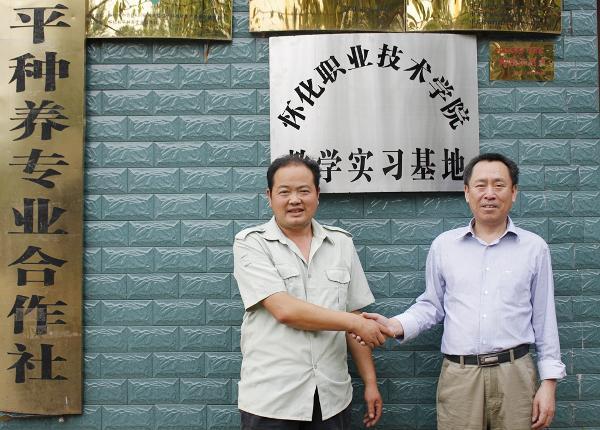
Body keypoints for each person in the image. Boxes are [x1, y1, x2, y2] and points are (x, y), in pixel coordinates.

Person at [359, 153, 566, 429]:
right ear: (467, 192)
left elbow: (544, 319)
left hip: (516, 373)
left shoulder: (534, 248)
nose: (489, 193)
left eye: (499, 185)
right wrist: (394, 325)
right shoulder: (444, 246)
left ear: (514, 192)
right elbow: (431, 306)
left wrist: (549, 383)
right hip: (460, 375)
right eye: (481, 185)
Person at [233, 154, 392, 429]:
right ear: (269, 196)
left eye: (304, 191)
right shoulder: (252, 243)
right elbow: (284, 310)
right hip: (272, 399)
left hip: (332, 397)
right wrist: (354, 322)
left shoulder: (341, 243)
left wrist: (370, 382)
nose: (295, 200)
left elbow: (354, 315)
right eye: (284, 192)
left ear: (317, 194)